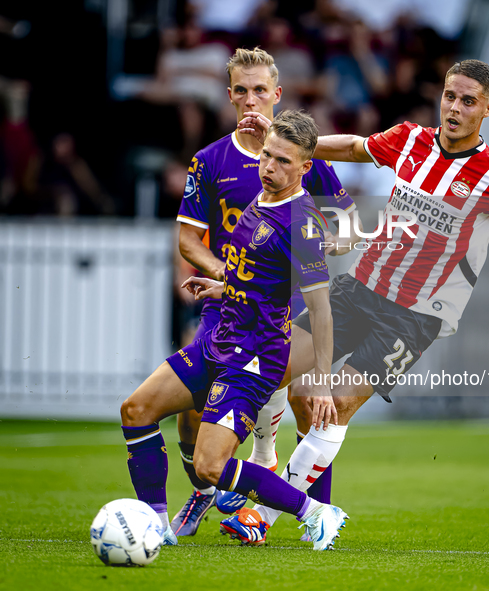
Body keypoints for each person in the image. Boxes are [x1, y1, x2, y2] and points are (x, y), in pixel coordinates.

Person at [230, 58, 489, 541]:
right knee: (275, 371)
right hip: (359, 288)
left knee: (334, 403)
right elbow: (357, 148)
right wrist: (291, 147)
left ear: (487, 109)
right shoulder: (411, 139)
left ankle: (266, 515)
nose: (454, 107)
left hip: (414, 316)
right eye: (450, 96)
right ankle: (277, 470)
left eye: (468, 101)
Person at [121, 109, 349, 551]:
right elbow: (256, 272)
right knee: (136, 410)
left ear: (306, 167)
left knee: (209, 466)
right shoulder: (262, 197)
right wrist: (222, 284)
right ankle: (155, 527)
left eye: (284, 161)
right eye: (267, 156)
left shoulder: (302, 224)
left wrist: (319, 382)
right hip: (220, 339)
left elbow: (321, 313)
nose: (270, 167)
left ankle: (317, 512)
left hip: (253, 359)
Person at [170, 47, 357, 537]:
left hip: (286, 306)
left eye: (260, 90)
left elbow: (347, 223)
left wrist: (325, 242)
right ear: (228, 95)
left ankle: (309, 508)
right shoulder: (210, 160)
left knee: (303, 397)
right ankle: (208, 487)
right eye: (241, 90)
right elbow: (190, 238)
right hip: (227, 305)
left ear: (276, 93)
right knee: (192, 407)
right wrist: (226, 275)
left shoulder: (302, 157)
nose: (251, 99)